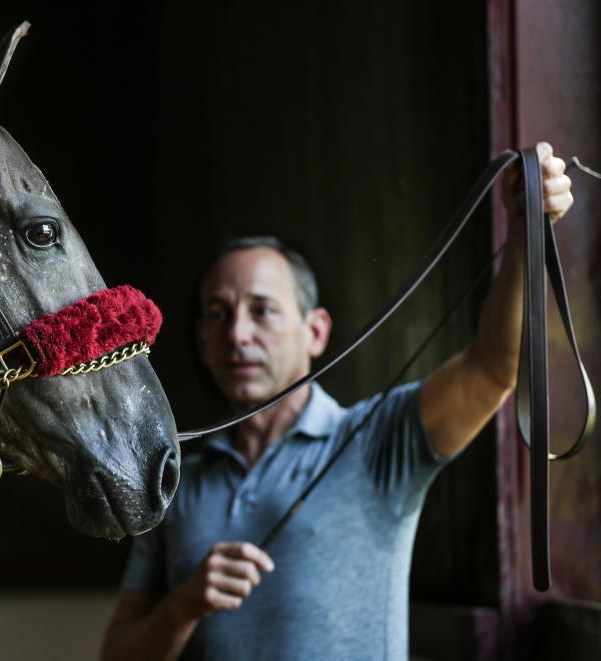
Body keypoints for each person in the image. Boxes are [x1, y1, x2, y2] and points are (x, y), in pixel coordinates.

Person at [99, 143, 574, 660]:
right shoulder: (174, 481)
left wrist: (526, 233)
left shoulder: (376, 439)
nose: (237, 334)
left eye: (262, 311)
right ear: (200, 340)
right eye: (217, 314)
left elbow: (492, 368)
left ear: (316, 332)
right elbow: (118, 655)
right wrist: (183, 605)